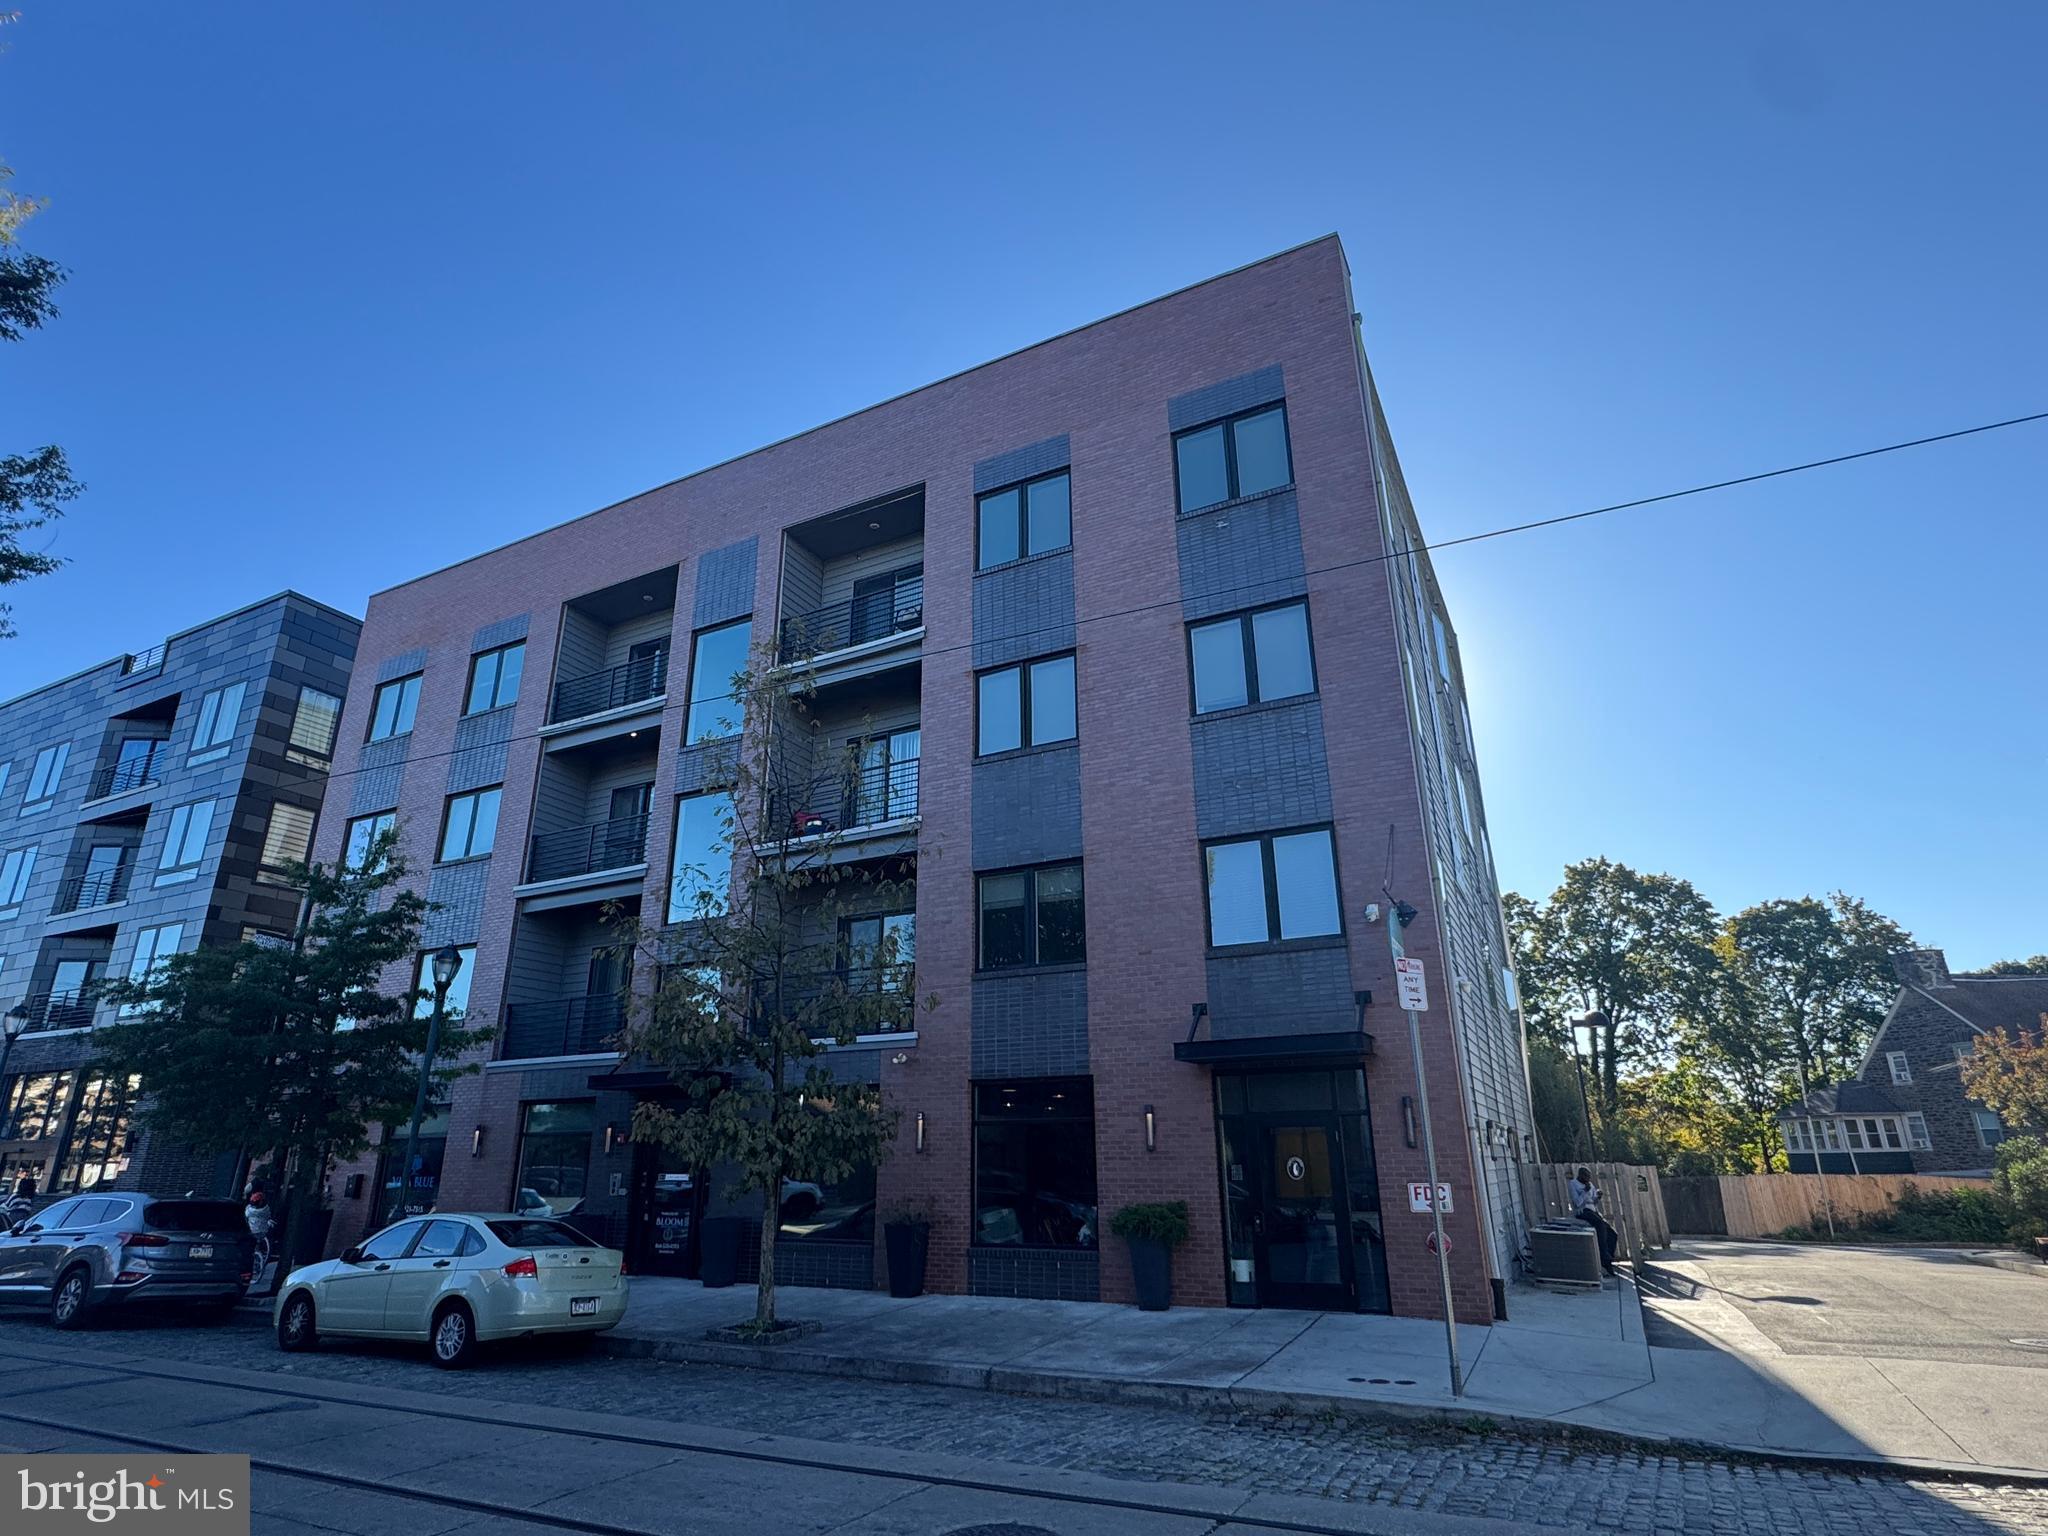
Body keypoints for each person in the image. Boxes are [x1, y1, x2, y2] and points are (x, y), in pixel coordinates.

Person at [1568, 1166, 1620, 1276]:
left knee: (1612, 1233)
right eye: (1586, 1177)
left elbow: (1593, 1201)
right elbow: (1577, 1203)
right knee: (1600, 1225)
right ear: (1580, 1175)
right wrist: (1584, 1192)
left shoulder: (1590, 1185)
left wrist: (1598, 1197)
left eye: (1589, 1177)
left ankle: (1609, 1258)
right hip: (1582, 1212)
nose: (1588, 1179)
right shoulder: (1573, 1184)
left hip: (1593, 1211)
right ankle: (1604, 1259)